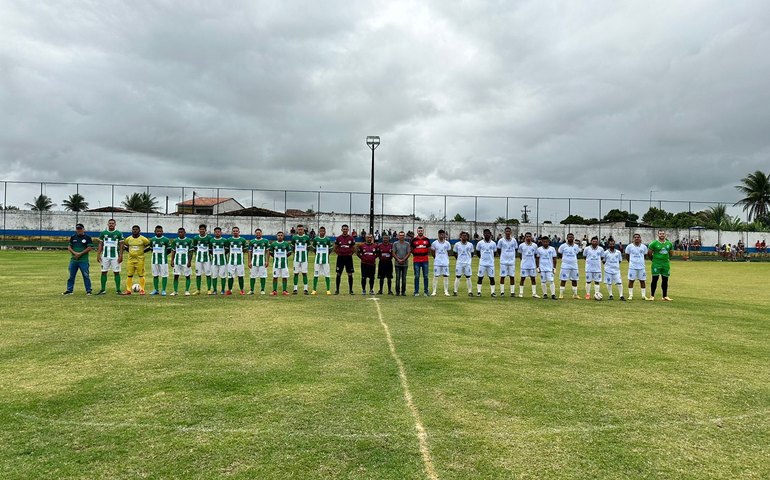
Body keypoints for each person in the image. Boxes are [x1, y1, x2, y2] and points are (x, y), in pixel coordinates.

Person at [63, 223, 93, 295]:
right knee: (71, 276)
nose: (79, 230)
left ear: (83, 229)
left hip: (83, 260)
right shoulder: (73, 237)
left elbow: (89, 248)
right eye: (77, 229)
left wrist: (80, 254)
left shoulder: (87, 237)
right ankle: (69, 290)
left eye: (80, 229)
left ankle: (88, 290)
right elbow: (69, 247)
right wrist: (75, 253)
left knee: (86, 275)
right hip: (74, 260)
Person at [96, 218, 124, 295]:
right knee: (104, 272)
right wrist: (98, 255)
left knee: (116, 272)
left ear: (115, 224)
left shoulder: (118, 233)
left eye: (112, 223)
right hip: (105, 256)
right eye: (110, 223)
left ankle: (118, 290)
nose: (111, 224)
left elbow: (121, 245)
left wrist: (121, 255)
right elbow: (100, 244)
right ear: (108, 224)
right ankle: (102, 289)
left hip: (115, 256)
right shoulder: (103, 233)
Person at [123, 225, 150, 295]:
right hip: (130, 260)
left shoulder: (143, 239)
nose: (135, 230)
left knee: (141, 275)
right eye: (133, 229)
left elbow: (149, 246)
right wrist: (130, 251)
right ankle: (128, 290)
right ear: (132, 230)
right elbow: (125, 246)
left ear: (139, 230)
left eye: (136, 229)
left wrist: (142, 252)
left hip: (140, 260)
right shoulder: (128, 239)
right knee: (129, 275)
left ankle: (142, 290)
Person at [648, 229, 673, 301]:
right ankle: (652, 296)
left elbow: (671, 253)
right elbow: (649, 253)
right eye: (660, 234)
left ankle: (665, 296)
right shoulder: (653, 243)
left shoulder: (669, 244)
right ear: (658, 235)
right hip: (656, 264)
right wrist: (653, 260)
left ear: (665, 235)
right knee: (655, 279)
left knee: (665, 280)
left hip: (665, 264)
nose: (662, 235)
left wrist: (668, 259)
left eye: (663, 234)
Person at [170, 228, 193, 296]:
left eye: (182, 232)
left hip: (185, 261)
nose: (180, 233)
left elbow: (191, 251)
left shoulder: (188, 240)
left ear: (184, 232)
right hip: (177, 261)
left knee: (187, 276)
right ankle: (175, 291)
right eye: (179, 232)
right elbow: (173, 251)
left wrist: (189, 261)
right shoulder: (175, 241)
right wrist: (172, 260)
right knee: (176, 276)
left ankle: (187, 291)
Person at [558, 233, 582, 299]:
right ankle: (561, 294)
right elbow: (559, 253)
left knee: (575, 280)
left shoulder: (576, 246)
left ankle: (575, 294)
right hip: (565, 265)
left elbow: (577, 253)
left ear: (573, 238)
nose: (570, 238)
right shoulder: (563, 246)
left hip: (574, 265)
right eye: (569, 237)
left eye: (572, 237)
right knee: (563, 279)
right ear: (567, 238)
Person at [625, 233, 649, 301]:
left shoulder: (644, 247)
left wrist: (640, 262)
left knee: (642, 281)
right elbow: (627, 256)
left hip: (641, 267)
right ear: (633, 239)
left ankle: (643, 296)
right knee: (631, 281)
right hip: (632, 267)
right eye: (635, 237)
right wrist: (631, 262)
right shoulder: (629, 246)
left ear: (640, 238)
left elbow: (644, 256)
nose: (636, 238)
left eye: (638, 237)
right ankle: (630, 295)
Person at [311, 226, 334, 295]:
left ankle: (328, 290)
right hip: (317, 260)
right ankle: (314, 290)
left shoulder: (327, 239)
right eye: (320, 231)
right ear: (319, 232)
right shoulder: (316, 239)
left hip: (326, 260)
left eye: (323, 231)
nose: (322, 232)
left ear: (325, 232)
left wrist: (326, 255)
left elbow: (330, 249)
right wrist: (318, 254)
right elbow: (314, 249)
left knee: (327, 274)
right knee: (315, 275)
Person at [334, 224, 356, 295]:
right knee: (338, 273)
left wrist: (350, 253)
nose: (345, 230)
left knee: (350, 274)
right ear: (342, 230)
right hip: (340, 258)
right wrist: (338, 253)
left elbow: (354, 248)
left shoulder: (351, 238)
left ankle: (351, 290)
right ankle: (337, 290)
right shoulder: (338, 238)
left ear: (348, 230)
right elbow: (335, 247)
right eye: (344, 229)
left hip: (348, 258)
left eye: (346, 229)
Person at [475, 228, 498, 297]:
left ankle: (492, 292)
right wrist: (482, 258)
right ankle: (479, 292)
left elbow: (495, 252)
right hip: (482, 264)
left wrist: (490, 259)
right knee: (480, 277)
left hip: (490, 264)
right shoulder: (480, 243)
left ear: (490, 234)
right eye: (485, 233)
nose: (487, 235)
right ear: (483, 234)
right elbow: (478, 252)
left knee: (491, 278)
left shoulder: (493, 243)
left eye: (488, 233)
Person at [497, 227, 519, 297]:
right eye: (506, 231)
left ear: (511, 232)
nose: (507, 233)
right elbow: (499, 250)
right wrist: (503, 256)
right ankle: (502, 292)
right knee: (502, 276)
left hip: (511, 262)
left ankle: (512, 292)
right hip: (503, 262)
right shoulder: (501, 240)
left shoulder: (514, 240)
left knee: (512, 276)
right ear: (504, 232)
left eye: (509, 231)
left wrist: (511, 256)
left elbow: (515, 249)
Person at [270, 231, 293, 295]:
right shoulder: (273, 244)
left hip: (284, 264)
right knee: (275, 277)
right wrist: (276, 257)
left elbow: (289, 252)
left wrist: (284, 258)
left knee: (284, 277)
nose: (280, 236)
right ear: (276, 236)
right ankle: (274, 290)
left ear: (283, 236)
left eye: (281, 235)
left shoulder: (286, 244)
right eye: (279, 235)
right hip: (276, 264)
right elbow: (271, 253)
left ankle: (284, 290)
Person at [149, 225, 170, 296]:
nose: (159, 232)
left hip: (163, 261)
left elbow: (169, 250)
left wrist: (163, 255)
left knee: (164, 275)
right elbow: (151, 249)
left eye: (160, 231)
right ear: (155, 231)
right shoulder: (152, 240)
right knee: (155, 275)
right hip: (154, 260)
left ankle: (163, 290)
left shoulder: (166, 240)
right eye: (157, 231)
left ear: (162, 232)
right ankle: (156, 289)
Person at [226, 226, 248, 295]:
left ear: (239, 232)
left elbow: (245, 250)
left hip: (240, 262)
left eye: (236, 231)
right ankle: (229, 290)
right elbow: (226, 249)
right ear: (232, 232)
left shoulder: (243, 240)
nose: (235, 232)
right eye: (234, 231)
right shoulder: (229, 240)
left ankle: (242, 290)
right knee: (230, 276)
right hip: (231, 262)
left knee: (240, 276)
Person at [248, 228, 270, 295]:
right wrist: (249, 261)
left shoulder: (265, 241)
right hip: (254, 262)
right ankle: (251, 290)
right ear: (255, 234)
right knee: (252, 276)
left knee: (262, 276)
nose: (258, 234)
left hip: (262, 262)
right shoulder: (252, 241)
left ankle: (262, 290)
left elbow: (267, 251)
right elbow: (249, 252)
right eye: (257, 233)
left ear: (261, 233)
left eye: (259, 233)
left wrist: (267, 261)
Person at [192, 224, 212, 295]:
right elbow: (194, 248)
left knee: (208, 274)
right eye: (200, 229)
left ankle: (209, 289)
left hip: (207, 259)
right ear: (199, 230)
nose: (202, 230)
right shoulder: (196, 238)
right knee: (198, 274)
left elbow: (211, 249)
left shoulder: (209, 238)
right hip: (198, 259)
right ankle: (198, 290)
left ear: (205, 230)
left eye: (203, 229)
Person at [431, 229, 452, 296]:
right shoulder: (434, 243)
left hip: (445, 263)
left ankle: (446, 291)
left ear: (444, 235)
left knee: (446, 276)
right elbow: (433, 252)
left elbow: (448, 252)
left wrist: (445, 258)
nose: (441, 235)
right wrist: (437, 258)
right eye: (440, 234)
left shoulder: (447, 243)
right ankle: (434, 291)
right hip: (437, 262)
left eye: (443, 234)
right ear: (438, 235)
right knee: (436, 276)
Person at [291, 224, 311, 295]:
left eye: (301, 229)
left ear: (303, 230)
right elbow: (293, 247)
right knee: (296, 273)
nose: (300, 231)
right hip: (296, 259)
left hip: (304, 259)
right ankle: (295, 289)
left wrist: (304, 253)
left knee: (304, 273)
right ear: (297, 230)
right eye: (299, 229)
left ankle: (305, 289)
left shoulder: (306, 237)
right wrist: (296, 253)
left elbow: (308, 248)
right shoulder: (294, 237)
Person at [535, 236, 557, 300]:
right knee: (543, 281)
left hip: (550, 268)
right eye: (544, 242)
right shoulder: (539, 249)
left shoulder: (552, 249)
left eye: (546, 242)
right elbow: (537, 259)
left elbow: (554, 258)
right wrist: (537, 267)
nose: (545, 243)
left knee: (551, 281)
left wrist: (554, 267)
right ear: (542, 242)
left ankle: (553, 294)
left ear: (548, 242)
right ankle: (545, 294)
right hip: (542, 268)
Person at [411, 226, 431, 296]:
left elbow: (429, 249)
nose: (420, 232)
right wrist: (416, 254)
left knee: (425, 276)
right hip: (416, 261)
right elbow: (412, 249)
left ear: (423, 231)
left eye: (421, 231)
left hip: (425, 260)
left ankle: (426, 291)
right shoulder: (414, 240)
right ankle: (416, 291)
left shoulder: (427, 239)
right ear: (417, 231)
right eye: (419, 231)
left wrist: (424, 254)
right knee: (416, 276)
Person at [517, 232, 538, 298]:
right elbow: (520, 254)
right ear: (525, 237)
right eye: (527, 236)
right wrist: (523, 261)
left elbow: (535, 255)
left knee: (533, 279)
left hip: (532, 265)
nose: (528, 238)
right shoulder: (521, 245)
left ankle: (534, 294)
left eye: (529, 236)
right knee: (522, 278)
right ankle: (521, 293)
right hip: (524, 265)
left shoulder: (534, 245)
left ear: (531, 237)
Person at [453, 231, 474, 297]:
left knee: (468, 277)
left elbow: (472, 253)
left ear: (467, 237)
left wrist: (468, 259)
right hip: (459, 263)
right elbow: (455, 253)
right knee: (458, 276)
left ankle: (470, 291)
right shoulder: (457, 244)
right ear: (460, 237)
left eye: (465, 236)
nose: (464, 237)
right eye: (463, 236)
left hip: (467, 263)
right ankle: (455, 291)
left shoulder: (470, 244)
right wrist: (459, 259)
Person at [209, 227, 229, 295]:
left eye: (218, 232)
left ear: (221, 232)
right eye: (216, 232)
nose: (217, 233)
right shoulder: (211, 240)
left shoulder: (224, 240)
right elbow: (210, 251)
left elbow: (227, 250)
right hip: (214, 261)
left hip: (223, 261)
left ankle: (223, 290)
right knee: (214, 276)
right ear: (214, 233)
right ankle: (214, 290)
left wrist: (221, 255)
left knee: (223, 276)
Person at [393, 231, 411, 296]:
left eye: (403, 235)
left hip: (405, 263)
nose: (401, 237)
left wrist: (403, 259)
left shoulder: (407, 244)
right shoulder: (395, 243)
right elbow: (393, 253)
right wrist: (398, 259)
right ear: (398, 236)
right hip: (397, 263)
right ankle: (397, 292)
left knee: (404, 278)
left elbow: (408, 253)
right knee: (397, 278)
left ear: (404, 236)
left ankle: (403, 291)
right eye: (400, 235)